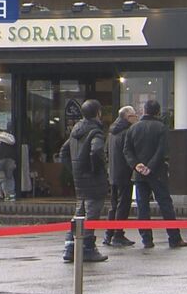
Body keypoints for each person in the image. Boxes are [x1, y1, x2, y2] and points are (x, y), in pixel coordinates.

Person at [123, 100, 187, 249]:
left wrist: (136, 165)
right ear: (158, 112)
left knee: (142, 207)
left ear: (144, 110)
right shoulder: (161, 128)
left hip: (139, 174)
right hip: (158, 172)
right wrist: (151, 166)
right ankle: (174, 238)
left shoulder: (133, 128)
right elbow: (162, 151)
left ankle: (147, 239)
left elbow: (127, 150)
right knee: (165, 204)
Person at [59, 99, 108, 263]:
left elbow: (63, 152)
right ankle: (88, 248)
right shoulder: (96, 132)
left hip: (79, 180)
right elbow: (96, 151)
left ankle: (70, 246)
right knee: (92, 213)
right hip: (93, 180)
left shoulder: (75, 131)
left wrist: (75, 169)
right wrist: (96, 168)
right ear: (98, 113)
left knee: (79, 212)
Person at [103, 106, 139, 247]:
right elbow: (129, 152)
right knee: (123, 204)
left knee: (114, 205)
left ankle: (109, 234)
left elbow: (105, 151)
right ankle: (118, 234)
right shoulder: (127, 132)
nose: (136, 118)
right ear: (127, 117)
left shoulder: (111, 132)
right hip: (124, 173)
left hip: (113, 172)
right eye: (134, 116)